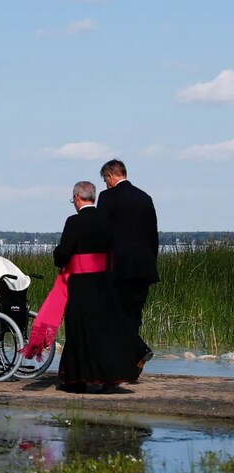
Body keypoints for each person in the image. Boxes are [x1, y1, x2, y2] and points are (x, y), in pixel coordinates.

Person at [44, 181, 139, 393]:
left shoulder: (74, 222)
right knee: (102, 329)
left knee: (78, 329)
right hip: (104, 282)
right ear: (93, 197)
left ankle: (77, 379)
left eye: (73, 199)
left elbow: (64, 253)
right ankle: (105, 377)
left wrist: (57, 255)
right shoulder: (108, 220)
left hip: (80, 284)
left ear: (77, 198)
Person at [96, 159, 158, 374]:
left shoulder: (107, 197)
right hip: (144, 267)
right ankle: (131, 368)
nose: (105, 184)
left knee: (114, 314)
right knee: (133, 315)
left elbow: (102, 233)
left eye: (105, 180)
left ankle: (139, 350)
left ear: (111, 176)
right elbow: (153, 236)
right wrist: (151, 263)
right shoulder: (144, 198)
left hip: (118, 267)